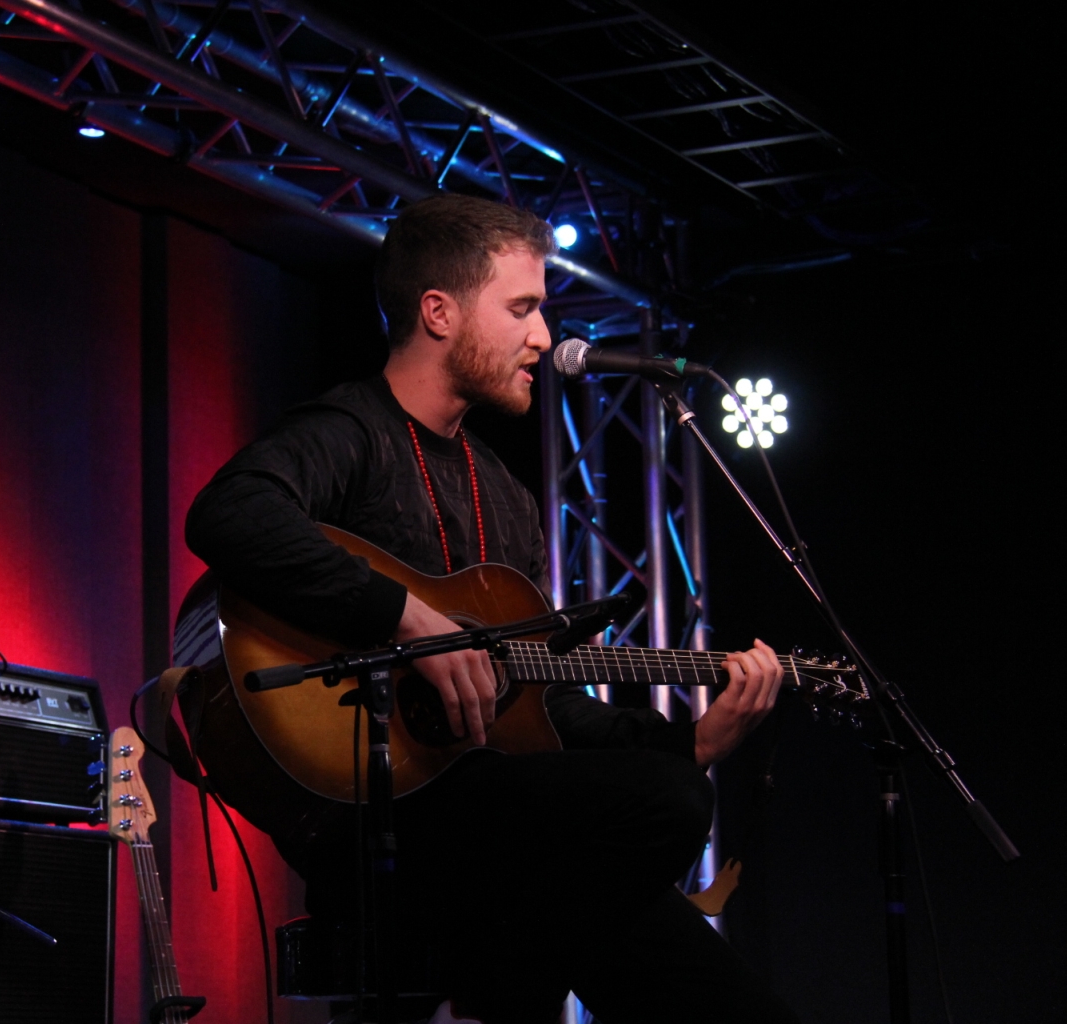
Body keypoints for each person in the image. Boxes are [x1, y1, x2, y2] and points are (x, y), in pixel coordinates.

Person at [184, 194, 796, 1023]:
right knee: (668, 804)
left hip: (499, 821)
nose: (544, 337)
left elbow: (542, 704)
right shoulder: (350, 431)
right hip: (379, 812)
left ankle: (500, 987)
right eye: (523, 308)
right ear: (438, 311)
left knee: (738, 995)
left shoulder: (504, 495)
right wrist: (407, 618)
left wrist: (695, 740)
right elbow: (229, 514)